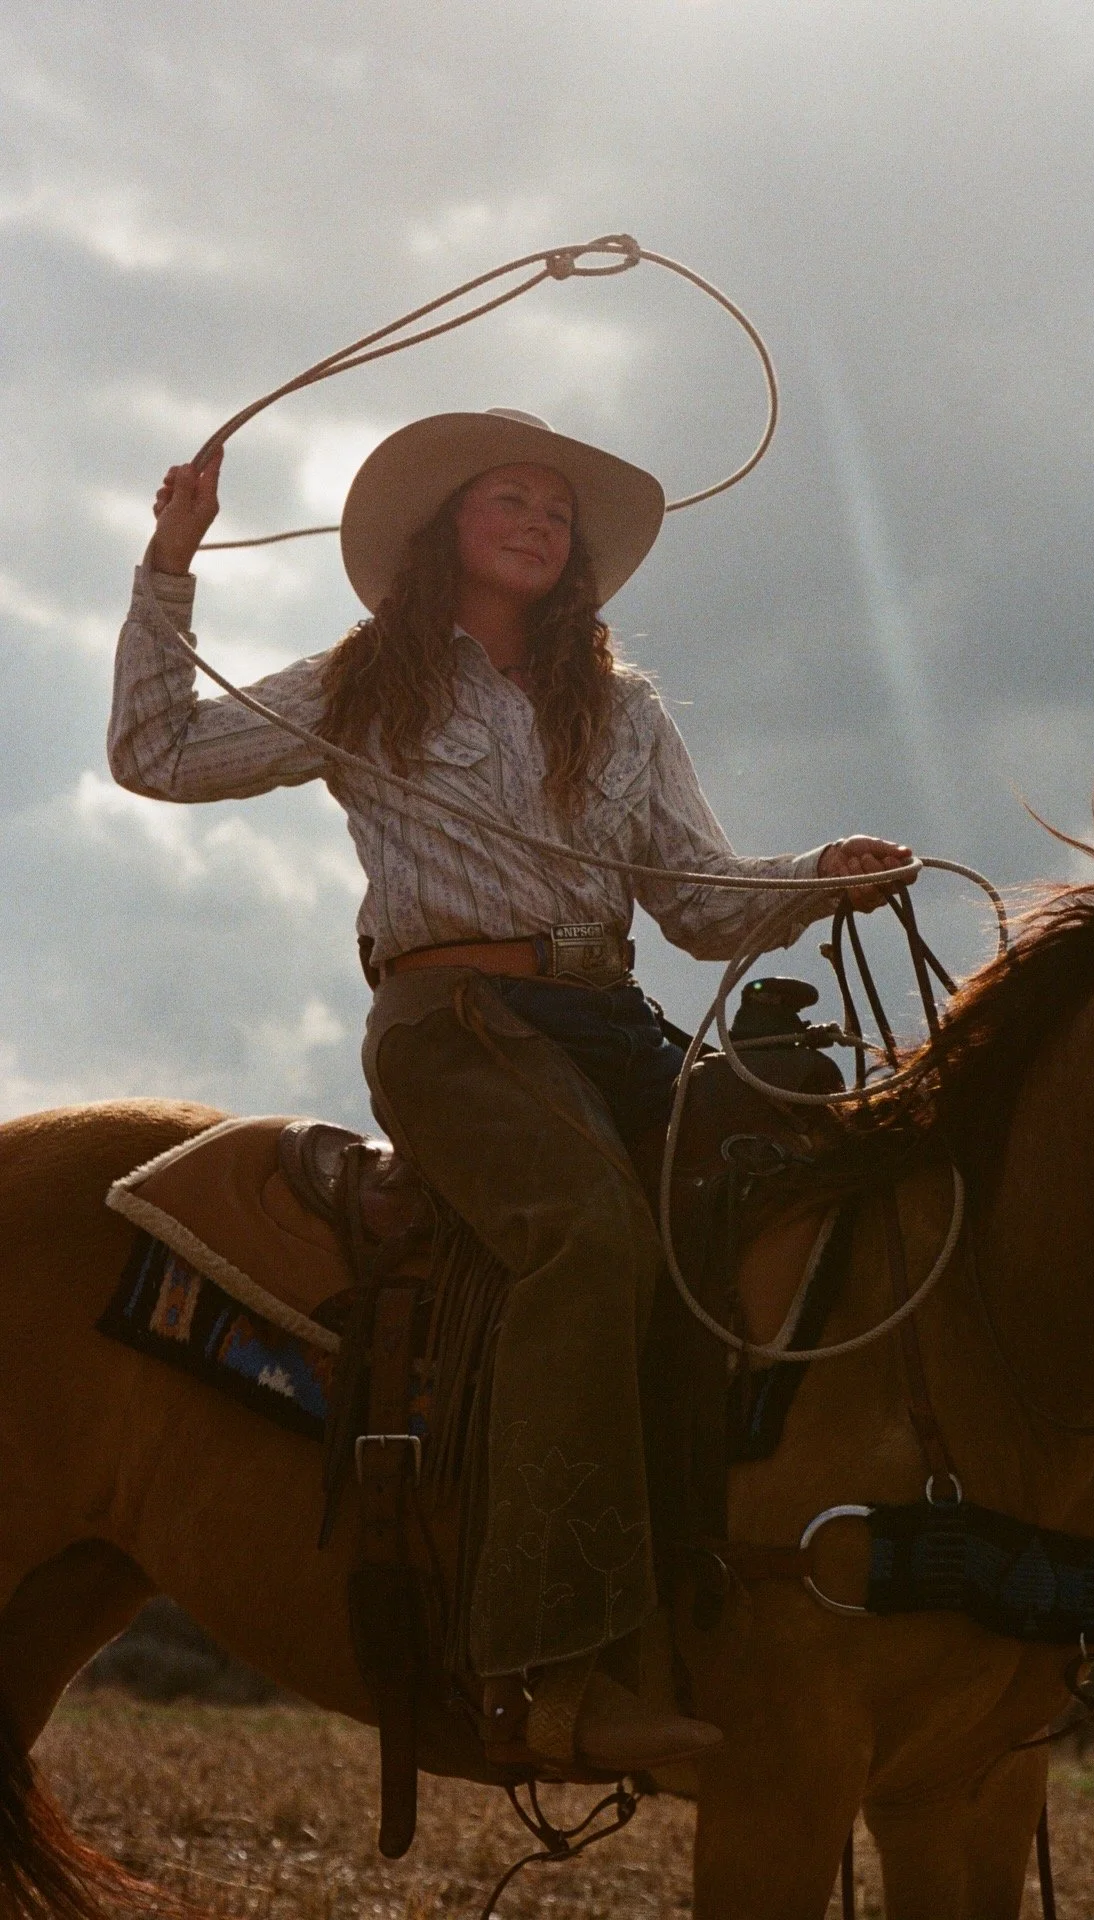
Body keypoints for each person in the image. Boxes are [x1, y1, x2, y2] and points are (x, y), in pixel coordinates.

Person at [108, 407, 911, 1774]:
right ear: (447, 532)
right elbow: (158, 754)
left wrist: (816, 874)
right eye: (509, 500)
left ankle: (748, 1603)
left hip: (609, 1015)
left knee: (791, 1211)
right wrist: (172, 562)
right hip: (455, 1021)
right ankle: (538, 1665)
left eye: (557, 509)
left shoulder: (630, 708)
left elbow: (700, 908)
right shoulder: (371, 681)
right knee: (586, 1235)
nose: (540, 521)